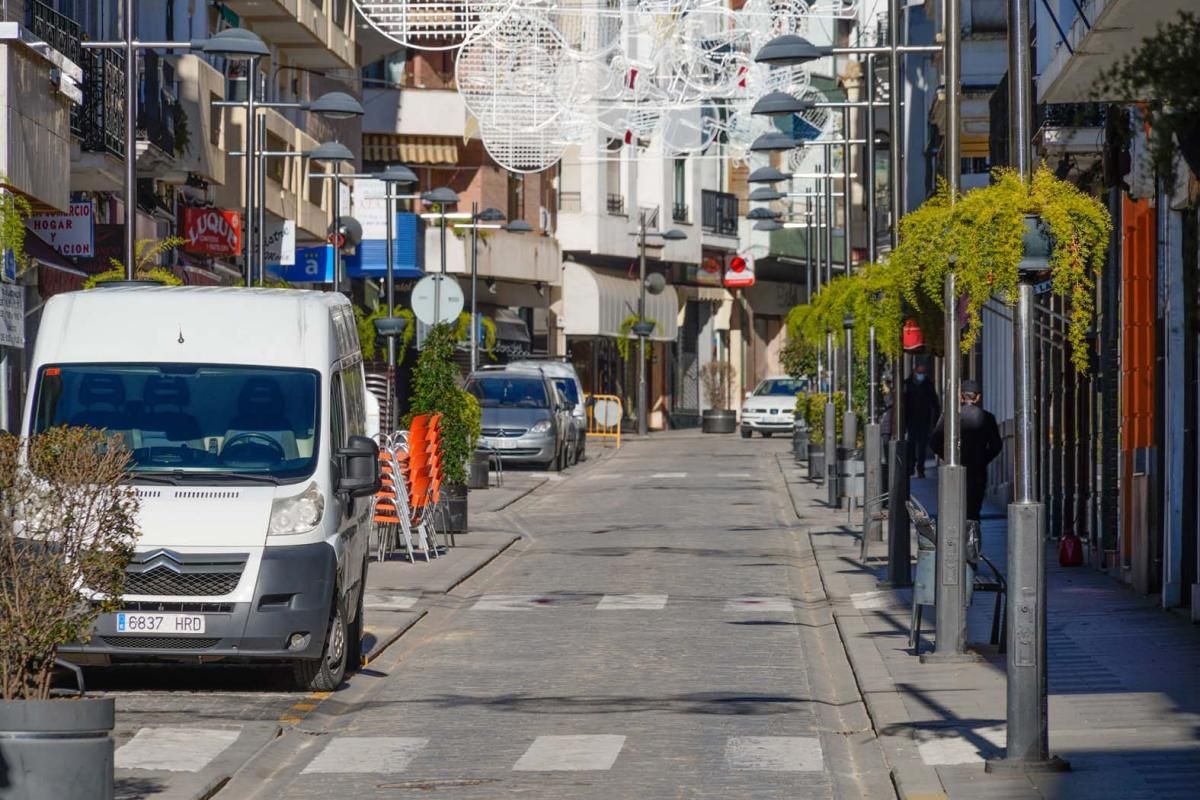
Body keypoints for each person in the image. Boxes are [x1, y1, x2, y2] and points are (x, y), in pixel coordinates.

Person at [930, 379, 1003, 523]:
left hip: (954, 469)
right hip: (977, 470)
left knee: (954, 510)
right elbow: (996, 445)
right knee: (973, 511)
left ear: (961, 397)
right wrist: (982, 459)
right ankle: (973, 539)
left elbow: (934, 442)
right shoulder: (987, 418)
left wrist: (949, 457)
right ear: (978, 397)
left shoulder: (949, 416)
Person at [904, 363, 940, 478]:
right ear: (914, 372)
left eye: (923, 373)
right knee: (911, 444)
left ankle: (920, 469)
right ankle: (911, 466)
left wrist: (935, 421)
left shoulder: (928, 384)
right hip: (911, 419)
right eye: (919, 373)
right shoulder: (907, 384)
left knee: (922, 446)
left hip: (924, 420)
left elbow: (934, 402)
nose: (921, 375)